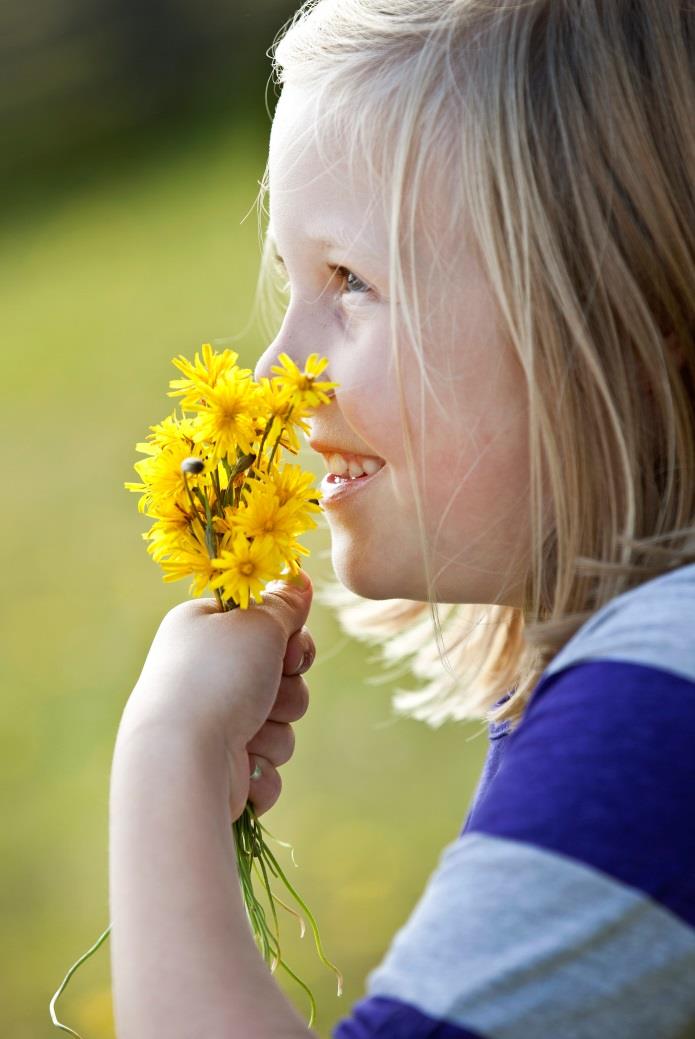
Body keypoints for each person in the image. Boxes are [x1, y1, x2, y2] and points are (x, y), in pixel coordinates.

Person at [108, 1, 695, 1037]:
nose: (273, 372)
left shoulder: (662, 698)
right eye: (292, 281)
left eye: (352, 281)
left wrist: (169, 759)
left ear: (615, 310)